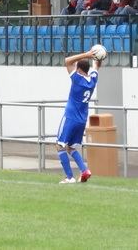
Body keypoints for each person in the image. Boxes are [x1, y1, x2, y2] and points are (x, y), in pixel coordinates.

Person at [56, 47, 101, 184]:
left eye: (76, 67)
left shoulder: (76, 78)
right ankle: (84, 170)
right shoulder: (93, 79)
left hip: (70, 117)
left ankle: (69, 177)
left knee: (60, 145)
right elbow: (96, 66)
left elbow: (67, 61)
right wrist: (98, 57)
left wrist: (86, 54)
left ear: (80, 69)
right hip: (82, 119)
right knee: (71, 147)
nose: (74, 68)